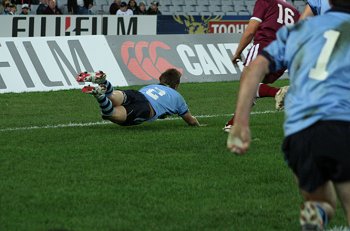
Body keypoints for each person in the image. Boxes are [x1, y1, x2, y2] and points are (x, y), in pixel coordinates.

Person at [227, 0, 350, 230]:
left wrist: (241, 123)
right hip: (342, 125)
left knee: (322, 202)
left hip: (299, 134)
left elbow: (255, 69)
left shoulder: (299, 30)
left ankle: (316, 215)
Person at [223, 0, 300, 132]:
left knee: (246, 85)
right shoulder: (295, 12)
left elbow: (251, 30)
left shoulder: (265, 1)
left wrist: (237, 53)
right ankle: (234, 123)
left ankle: (277, 92)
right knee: (253, 88)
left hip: (265, 48)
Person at [76, 68, 200, 127]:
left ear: (160, 80)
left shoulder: (151, 86)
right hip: (146, 108)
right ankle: (99, 95)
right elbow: (190, 120)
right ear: (176, 85)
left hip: (138, 93)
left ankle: (105, 83)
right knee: (111, 114)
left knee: (113, 95)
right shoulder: (178, 97)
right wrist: (198, 125)